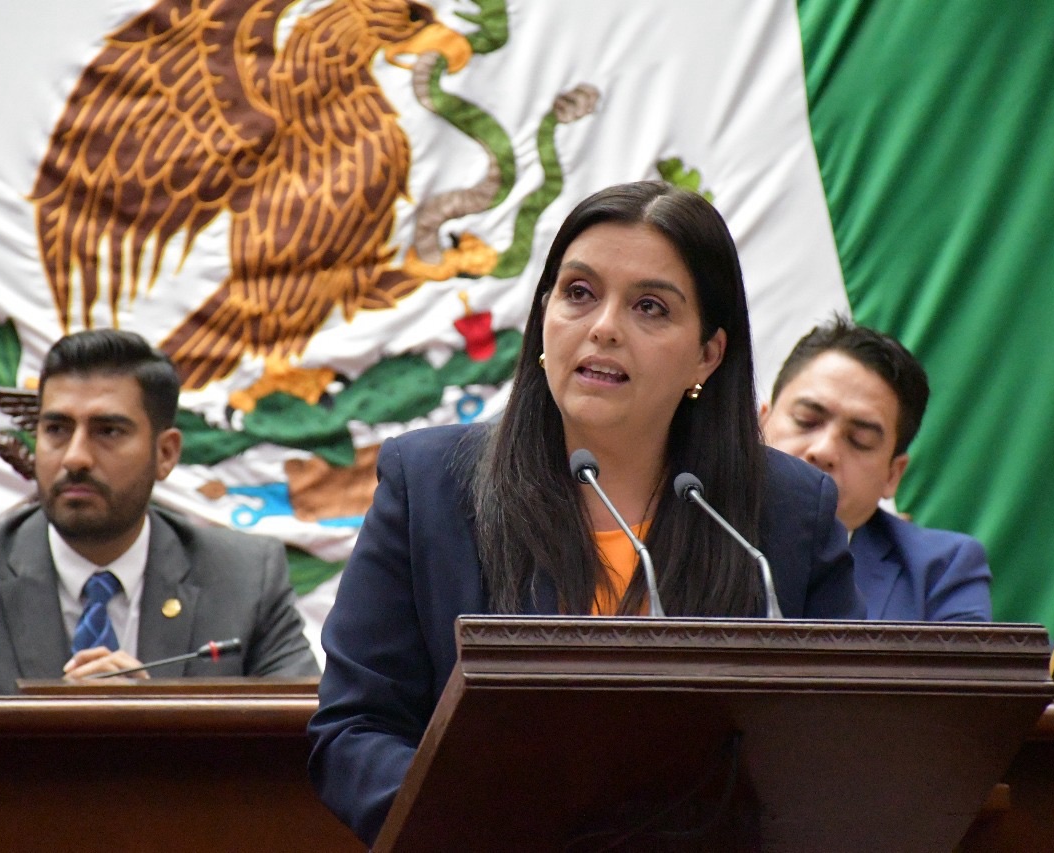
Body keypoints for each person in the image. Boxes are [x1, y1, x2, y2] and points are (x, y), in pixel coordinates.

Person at [308, 181, 863, 845]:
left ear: (708, 354)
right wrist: (481, 829)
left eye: (650, 307)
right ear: (544, 314)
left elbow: (839, 744)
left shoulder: (789, 513)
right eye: (578, 292)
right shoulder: (429, 486)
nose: (603, 327)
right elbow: (356, 730)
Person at [0, 329, 318, 696]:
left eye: (108, 431)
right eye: (56, 429)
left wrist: (157, 725)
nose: (75, 457)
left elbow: (301, 747)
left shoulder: (244, 580)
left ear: (165, 453)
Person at [759, 317, 992, 622]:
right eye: (807, 421)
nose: (825, 450)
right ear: (760, 424)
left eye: (860, 440)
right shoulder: (697, 526)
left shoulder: (941, 571)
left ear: (893, 475)